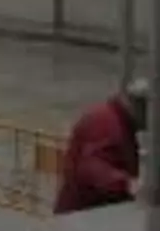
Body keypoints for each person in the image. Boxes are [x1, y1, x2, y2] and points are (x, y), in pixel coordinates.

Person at [54, 80, 148, 215]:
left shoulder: (117, 121)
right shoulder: (107, 123)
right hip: (83, 214)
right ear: (138, 107)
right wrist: (127, 184)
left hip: (94, 212)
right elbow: (91, 167)